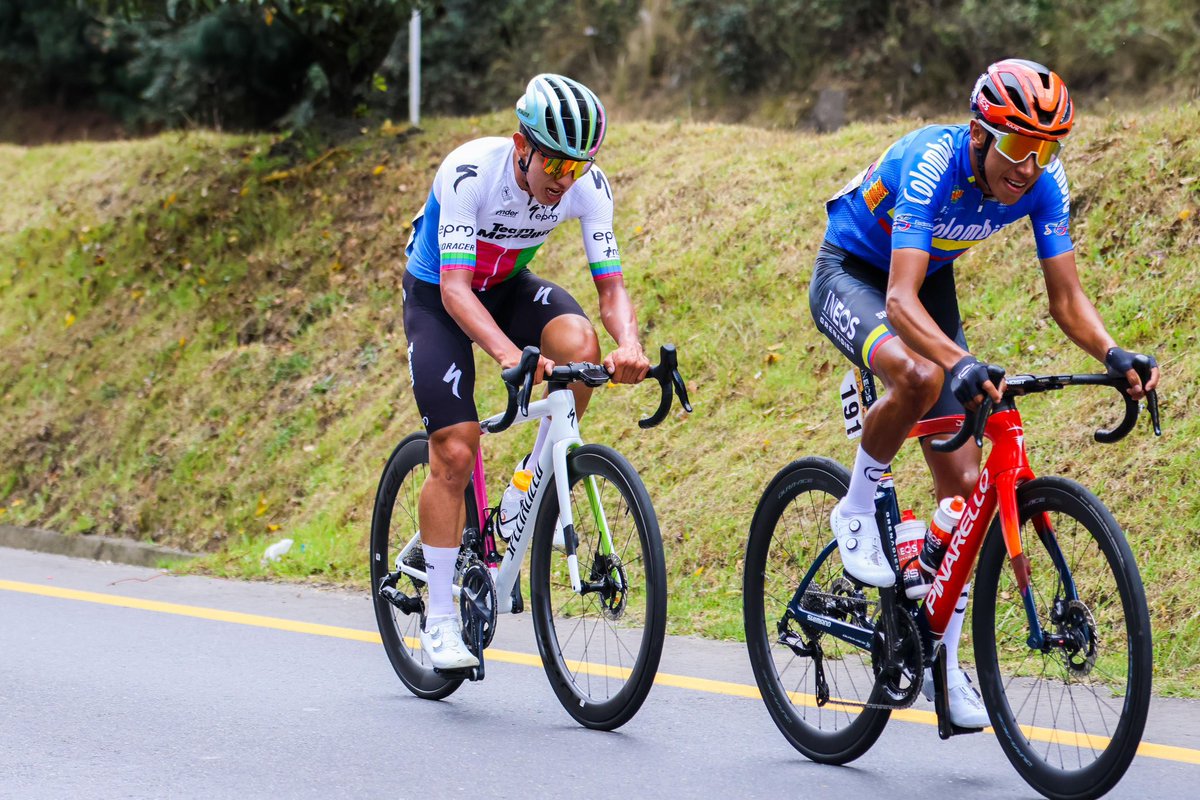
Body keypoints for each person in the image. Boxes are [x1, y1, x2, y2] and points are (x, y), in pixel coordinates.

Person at [808, 58, 1159, 725]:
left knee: (966, 490)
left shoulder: (1042, 183)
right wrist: (958, 360)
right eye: (1018, 146)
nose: (1028, 166)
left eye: (1045, 149)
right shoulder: (930, 162)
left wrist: (1114, 353)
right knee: (919, 375)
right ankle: (856, 507)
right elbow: (899, 301)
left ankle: (940, 657)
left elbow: (1066, 298)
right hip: (853, 271)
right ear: (979, 133)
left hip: (923, 278)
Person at [401, 74, 650, 670]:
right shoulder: (468, 173)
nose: (564, 182)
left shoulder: (587, 185)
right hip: (441, 295)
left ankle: (527, 488)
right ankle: (438, 619)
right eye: (554, 168)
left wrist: (630, 345)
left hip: (507, 286)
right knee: (456, 451)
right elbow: (458, 292)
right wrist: (508, 357)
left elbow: (610, 287)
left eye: (576, 168)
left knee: (579, 343)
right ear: (522, 146)